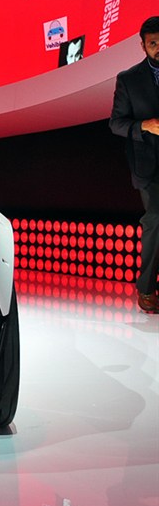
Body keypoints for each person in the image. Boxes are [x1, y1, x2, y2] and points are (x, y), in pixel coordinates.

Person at [110, 16, 159, 313]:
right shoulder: (128, 79)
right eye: (153, 43)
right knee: (156, 219)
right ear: (143, 46)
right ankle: (147, 289)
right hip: (148, 165)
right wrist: (145, 126)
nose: (158, 48)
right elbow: (116, 123)